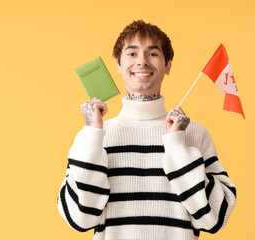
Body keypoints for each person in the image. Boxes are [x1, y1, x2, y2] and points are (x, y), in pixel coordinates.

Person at [57, 20, 237, 240]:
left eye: (152, 54)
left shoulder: (194, 135)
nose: (142, 61)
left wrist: (179, 148)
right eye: (132, 54)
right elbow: (80, 219)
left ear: (168, 65)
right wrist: (94, 135)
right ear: (118, 65)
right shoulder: (93, 137)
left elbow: (214, 219)